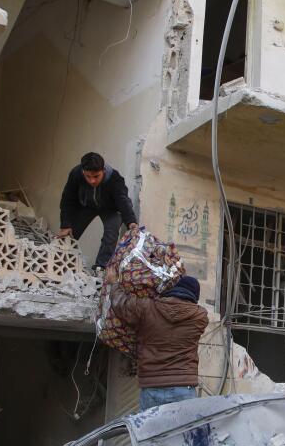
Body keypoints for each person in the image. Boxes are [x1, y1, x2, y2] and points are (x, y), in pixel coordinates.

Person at [113, 276, 209, 411]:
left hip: (151, 386)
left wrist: (114, 283)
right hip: (184, 387)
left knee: (151, 432)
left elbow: (121, 304)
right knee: (182, 432)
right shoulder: (200, 316)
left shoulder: (147, 307)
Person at [57, 152, 138, 270]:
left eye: (96, 176)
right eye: (88, 177)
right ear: (83, 172)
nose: (92, 181)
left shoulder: (114, 178)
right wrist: (65, 224)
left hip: (111, 209)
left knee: (111, 233)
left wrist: (131, 222)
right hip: (86, 206)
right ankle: (60, 260)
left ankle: (100, 267)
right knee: (70, 231)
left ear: (103, 170)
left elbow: (122, 200)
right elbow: (67, 199)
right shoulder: (76, 174)